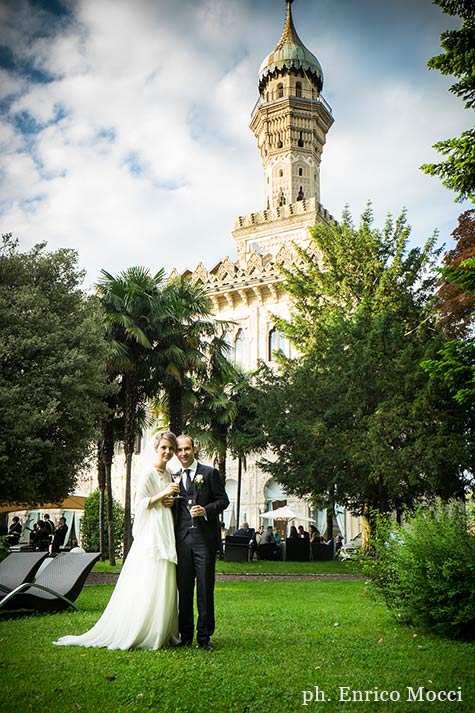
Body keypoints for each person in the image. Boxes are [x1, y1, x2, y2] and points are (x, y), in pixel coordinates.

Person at [54, 430, 180, 651]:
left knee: (165, 574)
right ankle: (143, 628)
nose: (168, 452)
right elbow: (141, 503)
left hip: (164, 524)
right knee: (149, 574)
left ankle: (162, 628)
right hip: (151, 530)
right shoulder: (148, 472)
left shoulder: (168, 472)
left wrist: (168, 500)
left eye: (171, 448)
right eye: (164, 448)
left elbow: (161, 500)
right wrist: (164, 495)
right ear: (156, 449)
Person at [174, 434, 229, 651]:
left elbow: (223, 500)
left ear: (194, 449)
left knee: (205, 590)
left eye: (187, 449)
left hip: (204, 542)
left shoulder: (209, 473)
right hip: (182, 541)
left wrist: (206, 510)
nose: (183, 453)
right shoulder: (174, 475)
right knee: (184, 590)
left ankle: (204, 637)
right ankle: (185, 636)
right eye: (179, 450)